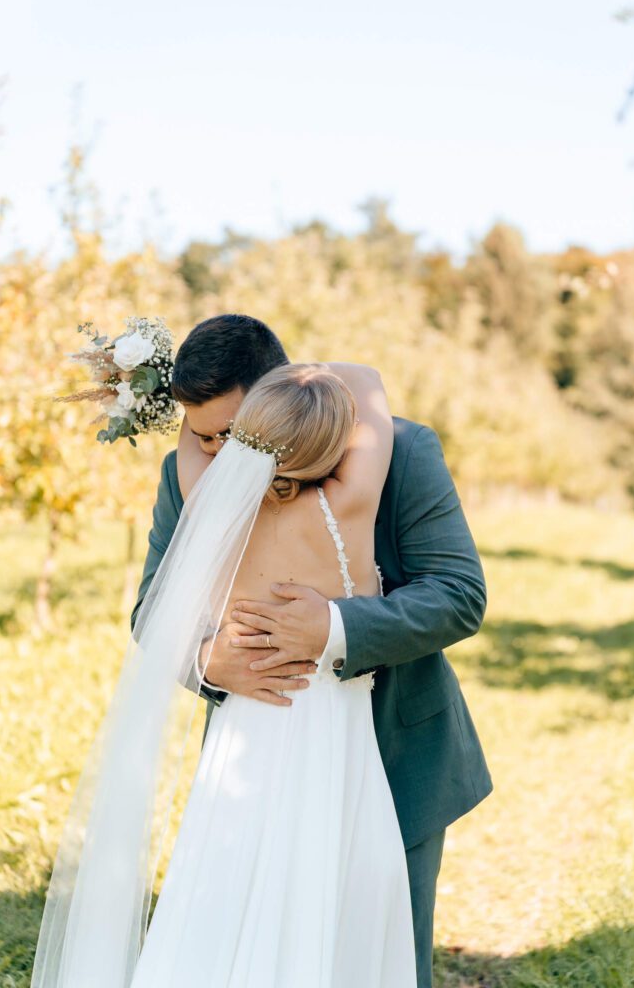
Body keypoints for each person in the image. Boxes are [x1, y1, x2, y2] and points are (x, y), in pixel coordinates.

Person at [132, 314, 493, 988]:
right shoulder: (191, 474)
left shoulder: (403, 453)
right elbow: (154, 611)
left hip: (390, 751)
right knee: (246, 946)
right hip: (253, 747)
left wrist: (333, 629)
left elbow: (457, 593)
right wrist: (207, 661)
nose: (224, 454)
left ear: (279, 392)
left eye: (233, 433)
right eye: (205, 437)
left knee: (375, 954)